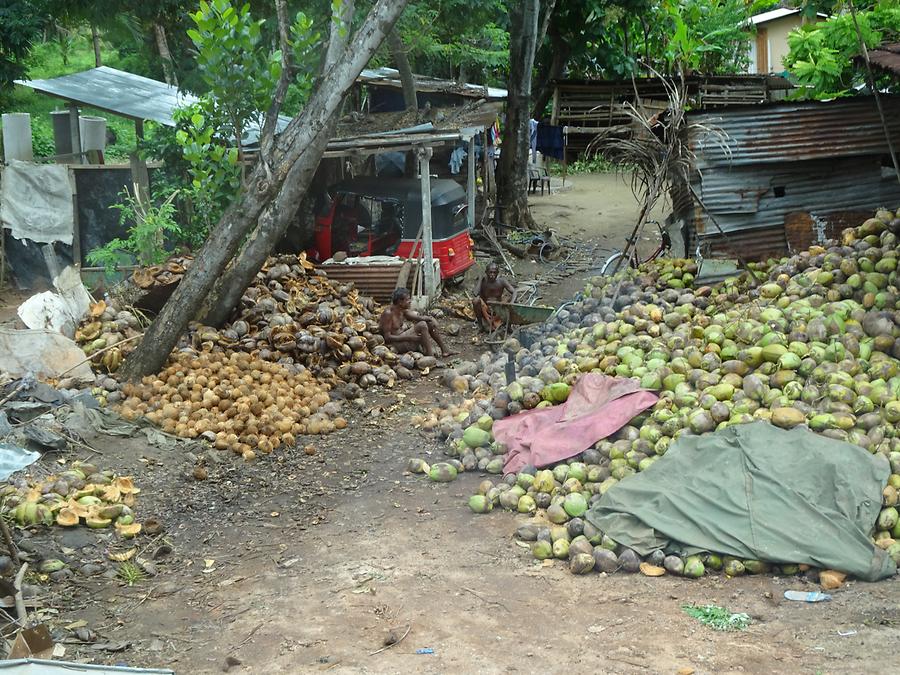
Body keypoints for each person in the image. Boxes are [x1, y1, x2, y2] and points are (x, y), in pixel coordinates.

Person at [379, 287, 457, 357]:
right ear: (400, 302)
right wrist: (410, 338)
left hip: (405, 339)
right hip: (397, 344)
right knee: (422, 325)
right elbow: (387, 337)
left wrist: (431, 319)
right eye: (408, 299)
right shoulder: (388, 313)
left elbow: (419, 318)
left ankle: (445, 349)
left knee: (428, 323)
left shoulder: (402, 310)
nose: (410, 301)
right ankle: (430, 357)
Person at [472, 262, 516, 332]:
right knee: (476, 301)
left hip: (498, 309)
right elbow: (475, 294)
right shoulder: (483, 280)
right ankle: (480, 326)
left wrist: (512, 302)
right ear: (486, 272)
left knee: (510, 299)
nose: (492, 275)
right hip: (486, 309)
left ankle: (508, 326)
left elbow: (514, 292)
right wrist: (480, 279)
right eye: (490, 272)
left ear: (497, 273)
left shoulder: (501, 281)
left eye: (494, 273)